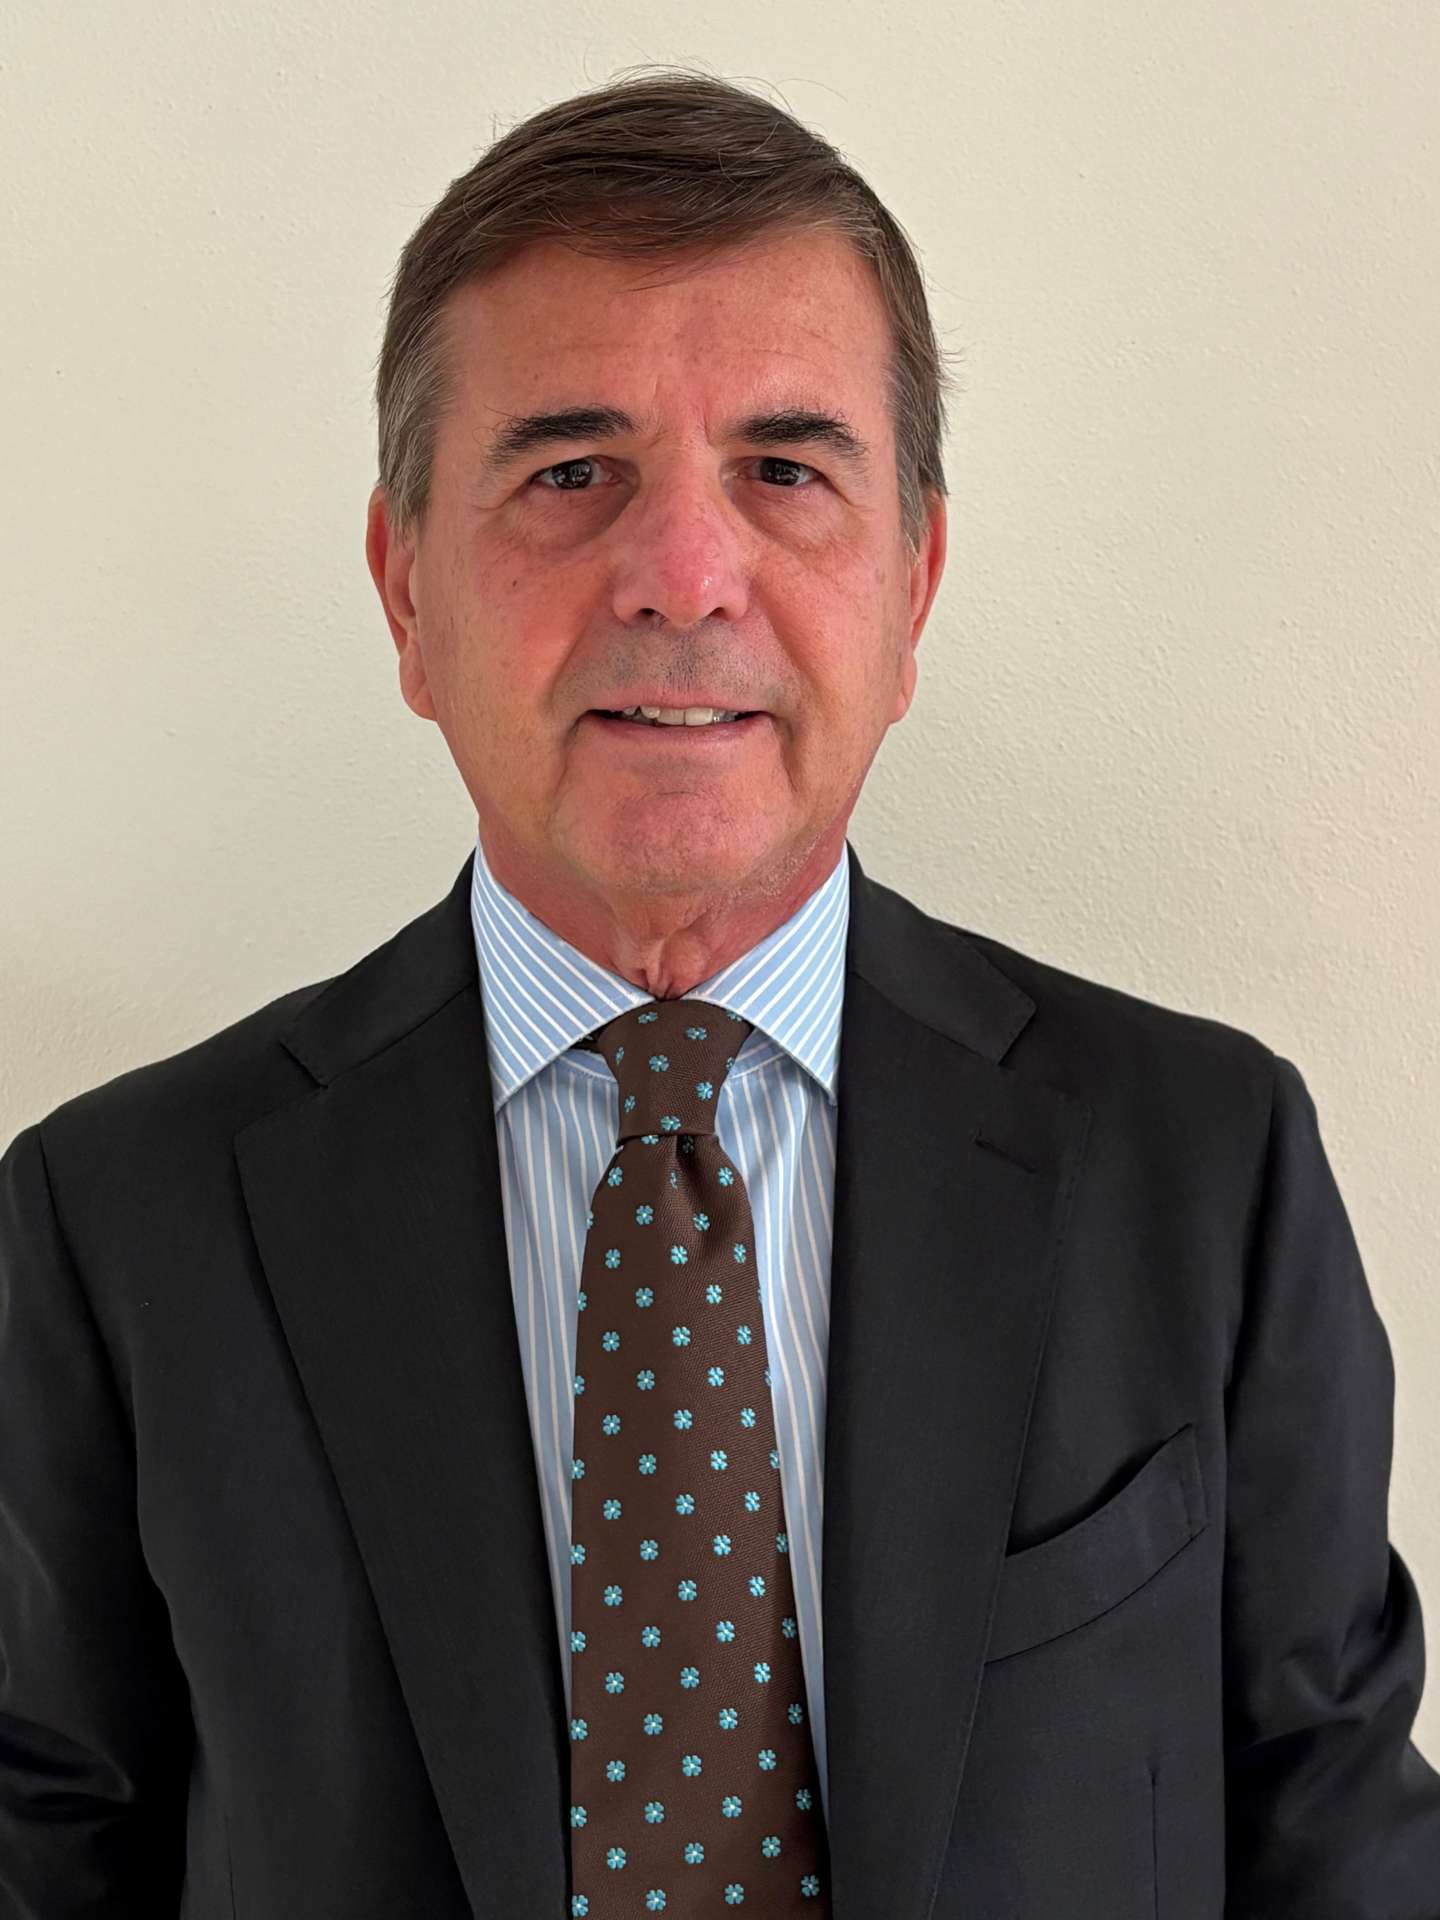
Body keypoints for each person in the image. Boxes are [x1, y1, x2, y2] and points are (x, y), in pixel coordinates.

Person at [1, 65, 1437, 1920]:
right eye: (570, 472)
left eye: (784, 470)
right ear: (405, 589)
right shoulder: (113, 1226)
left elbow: (1342, 1844)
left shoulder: (1207, 1169)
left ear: (914, 581)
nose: (683, 577)